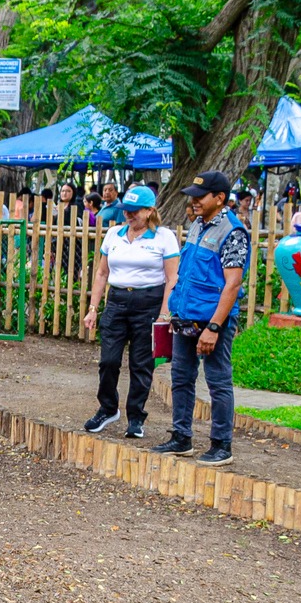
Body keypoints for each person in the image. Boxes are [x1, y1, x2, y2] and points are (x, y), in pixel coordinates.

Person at [152, 171, 249, 466]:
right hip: (186, 317)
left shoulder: (233, 232)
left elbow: (232, 284)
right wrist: (173, 311)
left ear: (219, 198)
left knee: (218, 381)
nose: (193, 201)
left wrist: (215, 327)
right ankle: (181, 437)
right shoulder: (197, 224)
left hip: (212, 321)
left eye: (200, 196)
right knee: (181, 377)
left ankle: (221, 444)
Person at [82, 186, 179, 438]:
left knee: (141, 363)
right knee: (108, 360)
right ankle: (107, 408)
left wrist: (164, 314)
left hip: (149, 302)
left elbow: (172, 278)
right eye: (127, 210)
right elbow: (102, 273)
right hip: (117, 300)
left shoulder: (164, 237)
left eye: (135, 211)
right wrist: (93, 308)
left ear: (150, 211)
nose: (129, 215)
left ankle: (136, 416)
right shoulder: (114, 234)